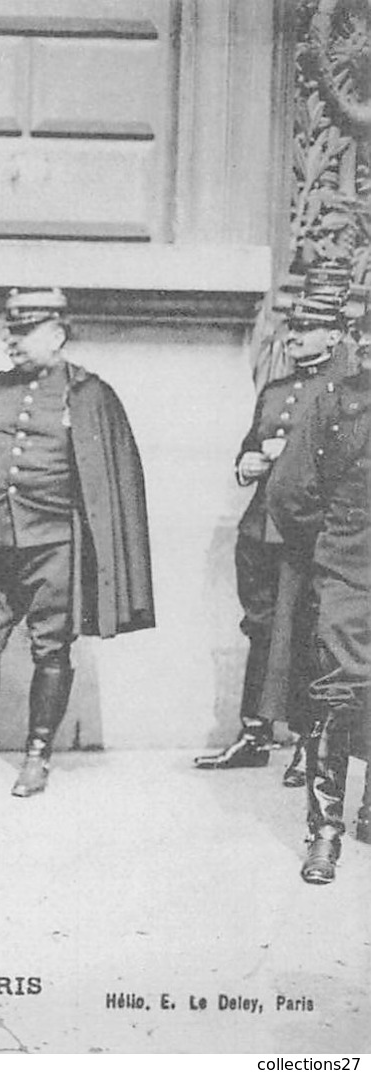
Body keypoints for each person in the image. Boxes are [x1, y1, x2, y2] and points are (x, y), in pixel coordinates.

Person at [0, 288, 155, 796]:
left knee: (52, 650)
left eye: (24, 333)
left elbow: (114, 483)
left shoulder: (90, 394)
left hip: (54, 548)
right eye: (10, 331)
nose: (12, 342)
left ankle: (37, 756)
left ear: (57, 333)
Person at [196, 265, 359, 779]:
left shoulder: (343, 396)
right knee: (260, 626)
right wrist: (246, 465)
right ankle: (254, 732)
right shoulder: (276, 391)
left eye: (305, 330)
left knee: (310, 632)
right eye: (291, 329)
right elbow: (249, 447)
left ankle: (310, 744)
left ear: (333, 335)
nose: (293, 337)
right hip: (260, 530)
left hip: (307, 532)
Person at [268, 311, 371, 885]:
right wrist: (327, 544)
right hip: (348, 567)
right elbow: (288, 490)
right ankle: (325, 832)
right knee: (337, 688)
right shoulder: (333, 404)